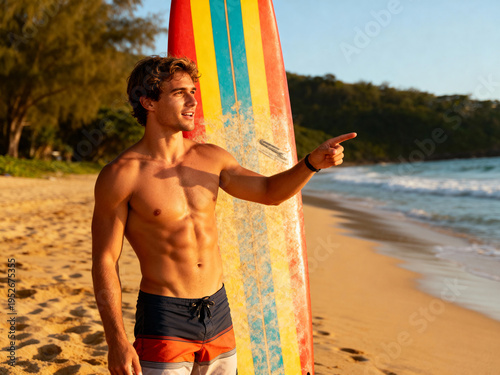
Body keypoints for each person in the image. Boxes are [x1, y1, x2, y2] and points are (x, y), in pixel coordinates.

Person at [91, 55, 356, 375]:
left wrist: (311, 163)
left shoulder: (211, 158)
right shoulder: (122, 175)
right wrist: (116, 340)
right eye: (179, 93)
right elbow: (105, 261)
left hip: (218, 312)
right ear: (148, 102)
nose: (193, 100)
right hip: (165, 317)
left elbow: (270, 192)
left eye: (193, 91)